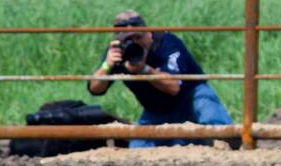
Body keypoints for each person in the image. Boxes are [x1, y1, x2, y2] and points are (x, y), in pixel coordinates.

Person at [86, 10, 233, 148]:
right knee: (137, 148)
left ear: (148, 33)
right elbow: (95, 89)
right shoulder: (119, 53)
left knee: (205, 104)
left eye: (138, 37)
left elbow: (174, 87)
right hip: (157, 110)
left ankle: (228, 138)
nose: (134, 43)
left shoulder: (167, 43)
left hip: (188, 101)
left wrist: (144, 69)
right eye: (128, 39)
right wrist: (107, 65)